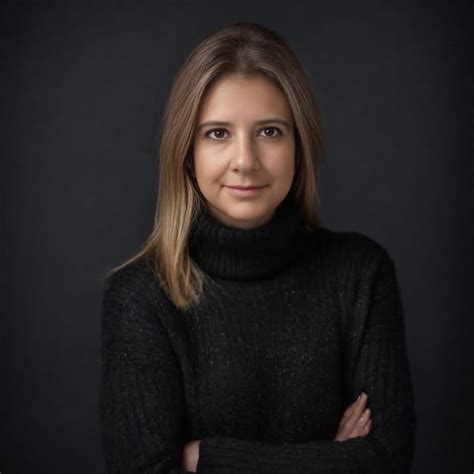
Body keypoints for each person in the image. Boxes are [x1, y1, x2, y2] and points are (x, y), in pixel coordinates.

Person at [99, 22, 416, 473]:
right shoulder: (141, 296)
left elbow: (386, 460)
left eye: (269, 132)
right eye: (217, 133)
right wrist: (333, 460)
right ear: (187, 153)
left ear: (299, 145)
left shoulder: (360, 274)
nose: (245, 161)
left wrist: (206, 458)